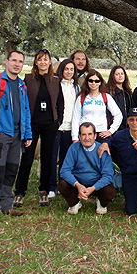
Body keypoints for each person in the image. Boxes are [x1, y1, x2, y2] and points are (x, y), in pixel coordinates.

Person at [0, 51, 32, 222]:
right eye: (14, 61)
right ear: (6, 62)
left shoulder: (21, 85)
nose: (17, 64)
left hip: (17, 136)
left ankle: (6, 205)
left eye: (20, 61)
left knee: (11, 170)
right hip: (1, 135)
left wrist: (27, 134)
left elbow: (25, 111)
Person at [14, 49, 64, 208]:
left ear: (50, 62)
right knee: (27, 158)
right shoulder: (28, 79)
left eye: (46, 60)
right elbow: (22, 101)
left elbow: (60, 103)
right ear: (36, 62)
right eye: (40, 60)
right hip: (32, 124)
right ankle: (20, 192)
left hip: (50, 124)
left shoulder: (56, 81)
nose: (43, 62)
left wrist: (58, 121)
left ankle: (44, 190)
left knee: (48, 159)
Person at [58, 122, 116, 215]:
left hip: (96, 185)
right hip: (78, 184)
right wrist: (78, 185)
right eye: (83, 135)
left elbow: (108, 175)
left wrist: (92, 188)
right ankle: (74, 203)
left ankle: (101, 203)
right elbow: (64, 171)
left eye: (90, 134)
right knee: (62, 184)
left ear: (95, 136)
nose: (87, 138)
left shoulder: (102, 149)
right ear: (79, 137)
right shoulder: (73, 148)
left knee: (110, 190)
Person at [49, 59, 80, 198]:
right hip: (57, 127)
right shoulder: (55, 84)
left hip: (70, 128)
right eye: (66, 69)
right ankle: (51, 187)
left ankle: (63, 185)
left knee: (65, 159)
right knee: (51, 157)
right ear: (61, 70)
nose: (69, 72)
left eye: (71, 69)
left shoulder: (76, 87)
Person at [71, 69, 123, 143]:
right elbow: (76, 119)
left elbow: (118, 115)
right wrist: (75, 137)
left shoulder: (106, 97)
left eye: (96, 81)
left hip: (101, 134)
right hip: (85, 133)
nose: (93, 83)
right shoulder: (81, 98)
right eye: (91, 80)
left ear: (100, 82)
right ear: (87, 82)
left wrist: (111, 131)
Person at [107, 65, 133, 131]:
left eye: (122, 74)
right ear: (113, 76)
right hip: (114, 127)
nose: (120, 76)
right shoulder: (109, 92)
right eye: (117, 74)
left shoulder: (127, 91)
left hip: (126, 127)